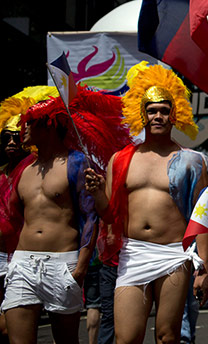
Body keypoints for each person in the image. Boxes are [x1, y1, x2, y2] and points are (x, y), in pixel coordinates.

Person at [86, 63, 208, 344]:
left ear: (174, 113)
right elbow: (108, 213)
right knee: (126, 337)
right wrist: (96, 193)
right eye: (152, 110)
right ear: (141, 113)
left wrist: (204, 269)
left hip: (173, 255)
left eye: (164, 110)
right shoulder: (120, 159)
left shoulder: (192, 160)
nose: (158, 116)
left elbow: (203, 217)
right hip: (133, 254)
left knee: (168, 336)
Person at [1, 87, 129, 344]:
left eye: (29, 123)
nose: (22, 129)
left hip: (63, 264)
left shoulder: (77, 163)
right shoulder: (24, 169)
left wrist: (80, 268)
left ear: (48, 125)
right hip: (23, 263)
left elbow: (97, 216)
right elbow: (11, 219)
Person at [0, 86, 57, 343]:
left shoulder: (33, 170)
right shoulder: (2, 174)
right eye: (5, 139)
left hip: (24, 258)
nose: (11, 143)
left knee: (12, 329)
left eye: (16, 137)